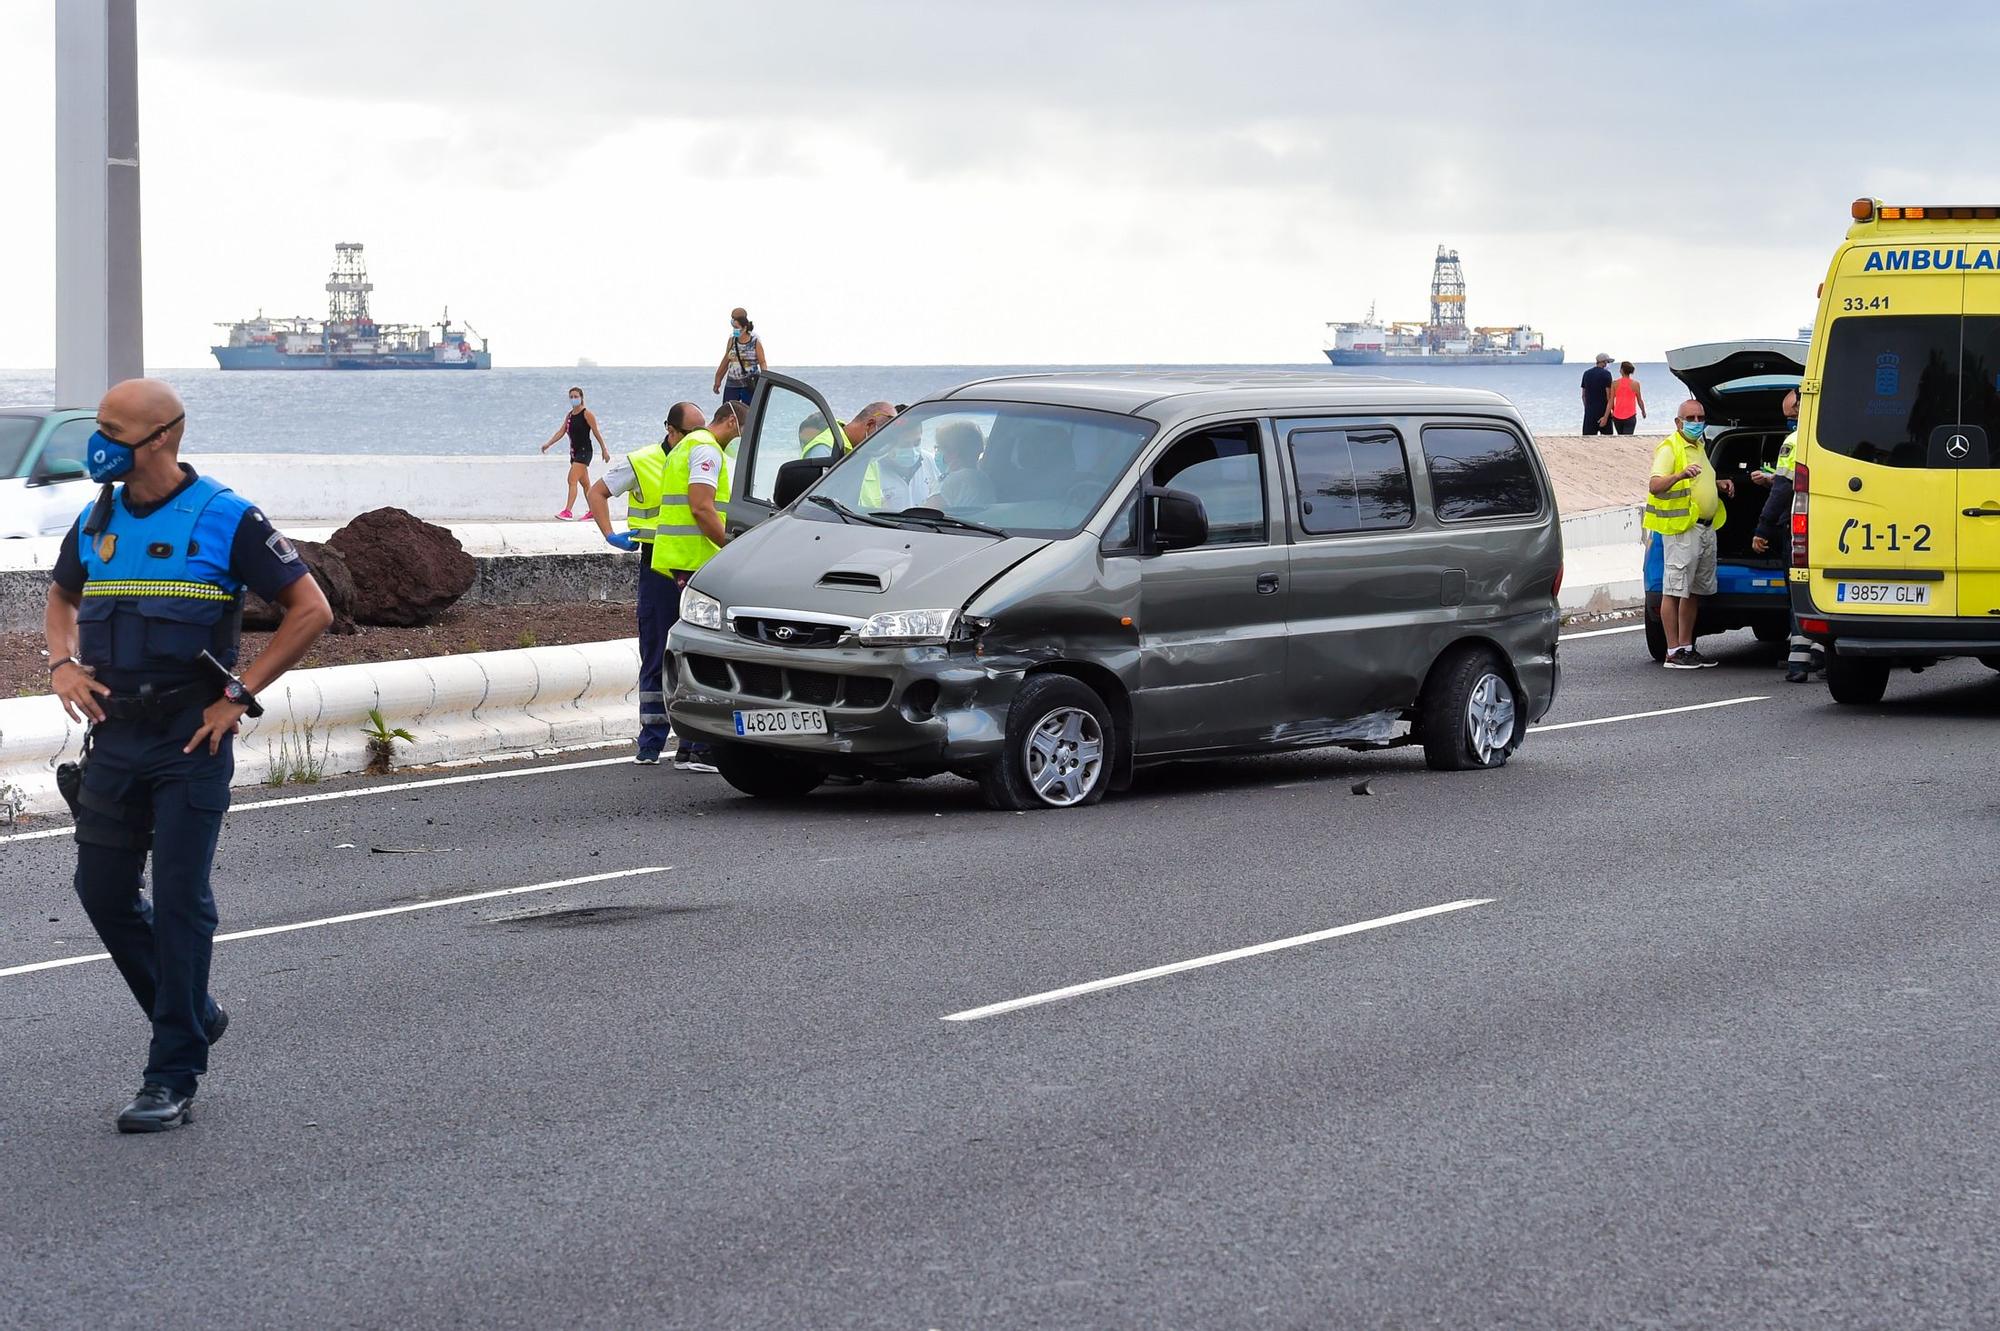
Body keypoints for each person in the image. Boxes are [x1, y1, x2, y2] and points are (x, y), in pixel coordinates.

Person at [44, 378, 333, 1132]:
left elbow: (312, 609)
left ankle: (171, 1072)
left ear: (163, 438)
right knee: (102, 891)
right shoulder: (97, 516)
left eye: (112, 428)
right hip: (115, 737)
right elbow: (60, 597)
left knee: (179, 901)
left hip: (189, 740)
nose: (97, 441)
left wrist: (238, 693)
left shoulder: (226, 518)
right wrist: (61, 665)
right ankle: (195, 1010)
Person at [585, 401, 703, 762]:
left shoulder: (704, 459)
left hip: (694, 564)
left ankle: (693, 745)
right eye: (692, 432)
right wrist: (610, 535)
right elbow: (596, 492)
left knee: (695, 653)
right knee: (655, 651)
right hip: (656, 564)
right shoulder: (644, 461)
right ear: (671, 431)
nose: (701, 439)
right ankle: (651, 740)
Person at [650, 401, 742, 773]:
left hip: (680, 558)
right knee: (705, 650)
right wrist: (734, 548)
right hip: (696, 559)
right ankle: (701, 746)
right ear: (732, 422)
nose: (741, 440)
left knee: (690, 648)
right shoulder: (706, 449)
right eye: (741, 432)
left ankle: (690, 747)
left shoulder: (684, 448)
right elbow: (702, 508)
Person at [1646, 398, 1736, 669]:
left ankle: (1687, 646)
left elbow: (1701, 479)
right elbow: (1655, 485)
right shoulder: (1670, 448)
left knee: (1693, 592)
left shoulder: (1700, 446)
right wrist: (1680, 475)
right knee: (1673, 591)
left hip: (1705, 529)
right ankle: (1672, 651)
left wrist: (1717, 484)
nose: (1697, 423)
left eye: (1700, 418)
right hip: (1682, 529)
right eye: (1691, 418)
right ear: (1678, 422)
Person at [1750, 388, 1823, 682]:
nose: (1790, 420)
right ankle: (1821, 657)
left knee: (1798, 595)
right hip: (1829, 527)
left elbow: (1782, 491)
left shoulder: (1794, 441)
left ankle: (1798, 665)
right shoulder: (1832, 439)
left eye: (1793, 413)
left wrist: (1762, 528)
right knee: (1823, 594)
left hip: (1797, 529)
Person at [540, 386, 609, 520]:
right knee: (585, 484)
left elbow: (596, 432)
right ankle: (593, 511)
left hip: (584, 452)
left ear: (581, 398)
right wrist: (548, 444)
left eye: (576, 396)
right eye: (571, 397)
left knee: (571, 479)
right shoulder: (570, 415)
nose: (573, 399)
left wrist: (604, 449)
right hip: (574, 453)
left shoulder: (586, 414)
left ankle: (568, 511)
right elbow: (561, 432)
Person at [929, 419, 995, 508]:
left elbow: (926, 514)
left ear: (954, 453)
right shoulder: (984, 478)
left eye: (938, 448)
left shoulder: (949, 482)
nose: (937, 453)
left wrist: (941, 481)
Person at [712, 308, 767, 406]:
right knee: (728, 411)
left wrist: (764, 380)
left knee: (748, 412)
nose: (735, 330)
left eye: (736, 327)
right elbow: (726, 360)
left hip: (749, 384)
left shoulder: (755, 341)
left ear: (744, 327)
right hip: (732, 384)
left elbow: (762, 362)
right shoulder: (732, 340)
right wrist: (718, 379)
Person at [1608, 361, 1646, 435]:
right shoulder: (1635, 384)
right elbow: (1639, 400)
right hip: (1630, 416)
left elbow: (1611, 401)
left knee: (1621, 436)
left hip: (1617, 416)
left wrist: (1607, 415)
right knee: (1627, 437)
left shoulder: (1615, 383)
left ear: (1622, 370)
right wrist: (1643, 411)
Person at [1581, 353, 1615, 436]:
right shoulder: (1606, 374)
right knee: (1608, 439)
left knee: (1588, 440)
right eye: (1607, 362)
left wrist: (1587, 408)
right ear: (1604, 362)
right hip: (1603, 412)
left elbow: (1583, 395)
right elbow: (1609, 397)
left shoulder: (1586, 373)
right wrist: (1607, 415)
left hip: (1589, 413)